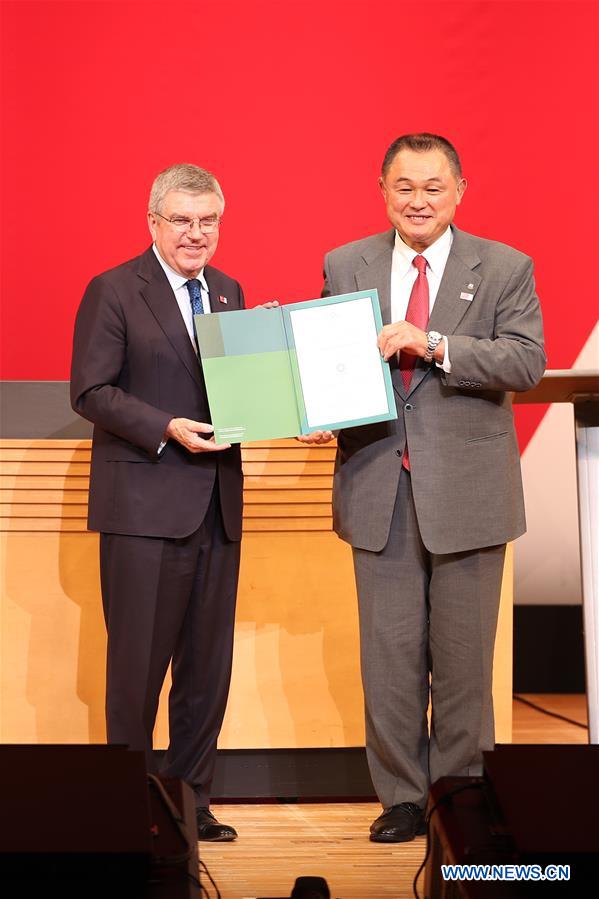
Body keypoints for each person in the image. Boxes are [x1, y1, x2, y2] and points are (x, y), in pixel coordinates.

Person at [301, 133, 545, 842]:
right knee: (389, 659)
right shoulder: (346, 262)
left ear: (459, 191)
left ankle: (460, 795)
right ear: (381, 189)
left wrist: (432, 343)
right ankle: (402, 798)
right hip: (378, 487)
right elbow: (330, 363)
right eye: (403, 186)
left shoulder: (503, 266)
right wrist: (316, 411)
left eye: (432, 186)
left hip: (468, 493)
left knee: (465, 663)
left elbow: (525, 362)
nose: (417, 200)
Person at [71, 163, 245, 841]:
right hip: (144, 507)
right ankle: (131, 804)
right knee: (138, 669)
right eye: (182, 220)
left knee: (207, 666)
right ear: (153, 223)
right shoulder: (114, 290)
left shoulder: (229, 292)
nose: (195, 234)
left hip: (217, 508)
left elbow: (237, 392)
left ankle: (191, 801)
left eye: (208, 221)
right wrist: (163, 426)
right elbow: (90, 390)